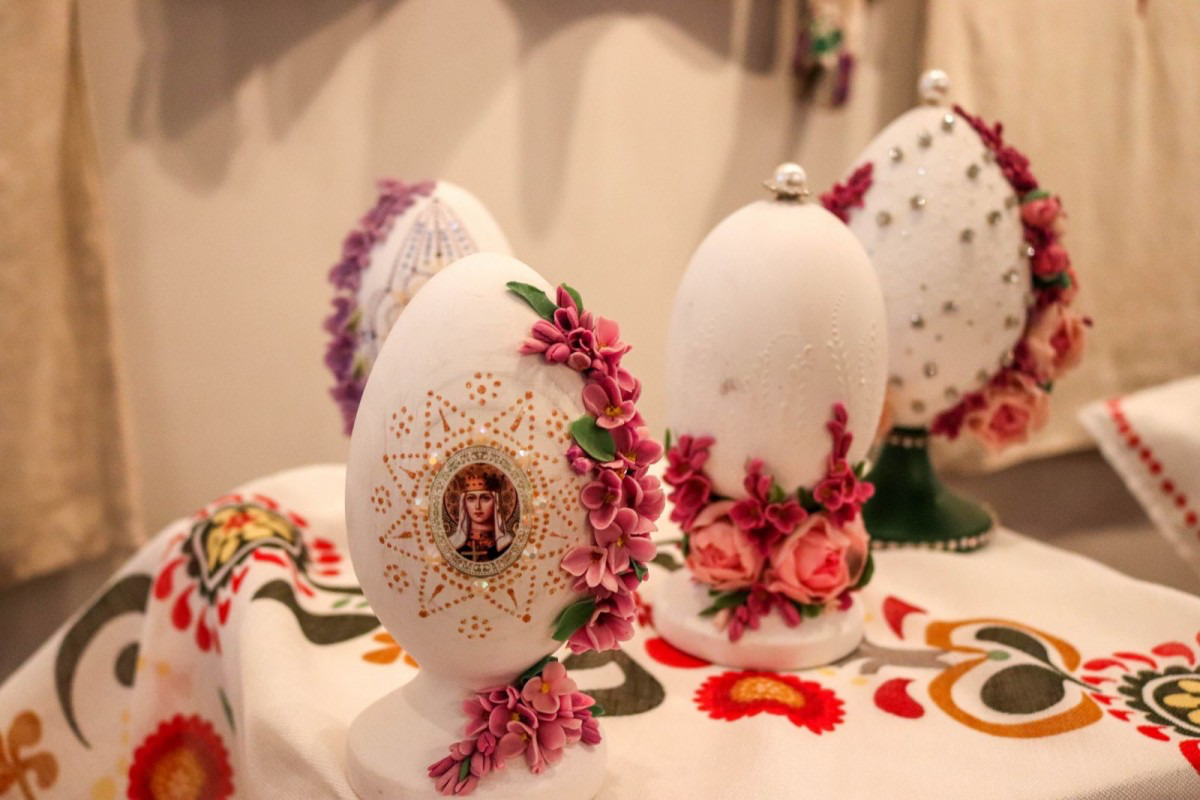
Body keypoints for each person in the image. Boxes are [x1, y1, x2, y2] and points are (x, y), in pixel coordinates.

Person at [447, 468, 514, 561]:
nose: (477, 506)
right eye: (471, 498)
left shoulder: (508, 547)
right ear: (463, 504)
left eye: (485, 498)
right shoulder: (452, 548)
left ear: (496, 503)